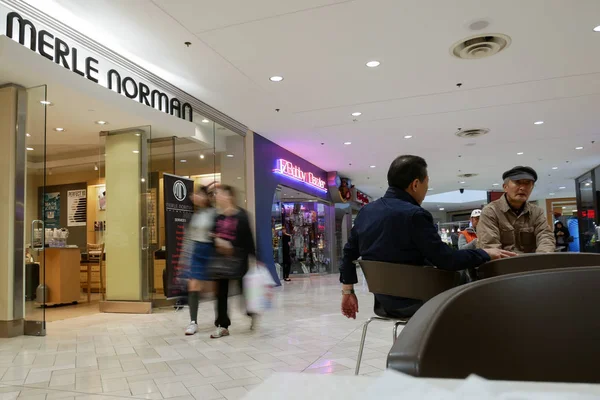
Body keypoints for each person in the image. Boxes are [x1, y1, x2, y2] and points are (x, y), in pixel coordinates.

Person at [340, 155, 516, 320]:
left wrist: (348, 292)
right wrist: (484, 253)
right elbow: (447, 261)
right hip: (420, 300)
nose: (426, 188)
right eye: (426, 183)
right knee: (471, 276)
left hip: (385, 303)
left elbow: (348, 254)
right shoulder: (415, 215)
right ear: (415, 184)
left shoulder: (365, 213)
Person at [211, 185, 257, 339]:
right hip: (221, 261)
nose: (217, 197)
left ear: (229, 196)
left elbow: (248, 240)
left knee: (243, 292)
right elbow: (212, 236)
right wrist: (217, 240)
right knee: (221, 294)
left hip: (239, 259)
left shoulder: (242, 216)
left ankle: (252, 311)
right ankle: (223, 325)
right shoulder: (218, 217)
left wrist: (255, 259)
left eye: (220, 194)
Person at [477, 166, 555, 253]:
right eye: (518, 182)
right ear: (505, 187)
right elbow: (490, 247)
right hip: (503, 264)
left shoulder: (537, 212)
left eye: (527, 183)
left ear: (532, 187)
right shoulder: (491, 211)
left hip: (533, 264)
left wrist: (542, 259)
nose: (523, 188)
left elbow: (546, 237)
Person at [182, 186, 215, 336]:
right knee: (193, 285)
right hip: (196, 252)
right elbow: (188, 238)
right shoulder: (193, 216)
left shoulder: (214, 213)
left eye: (199, 194)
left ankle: (220, 319)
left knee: (214, 288)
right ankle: (193, 322)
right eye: (195, 195)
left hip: (210, 251)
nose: (196, 197)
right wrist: (185, 258)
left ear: (206, 197)